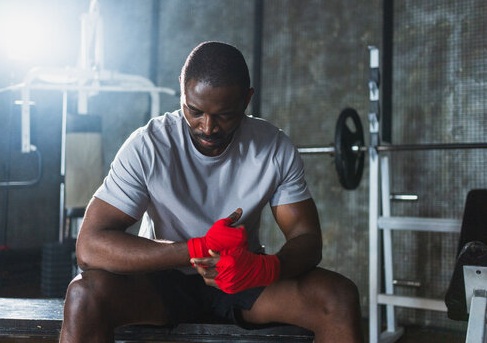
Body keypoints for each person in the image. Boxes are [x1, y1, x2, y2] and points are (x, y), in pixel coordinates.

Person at [60, 41, 364, 343]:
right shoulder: (148, 146)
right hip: (163, 280)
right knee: (84, 296)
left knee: (337, 298)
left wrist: (266, 268)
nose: (208, 127)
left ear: (247, 100)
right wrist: (195, 249)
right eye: (195, 111)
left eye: (225, 115)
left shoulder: (273, 147)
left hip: (243, 278)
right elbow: (90, 248)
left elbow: (307, 239)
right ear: (182, 87)